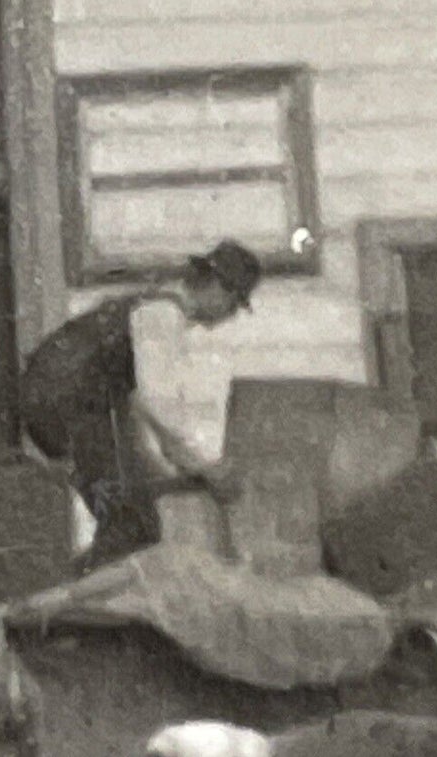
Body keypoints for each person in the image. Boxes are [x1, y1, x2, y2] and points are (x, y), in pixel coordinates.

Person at [19, 239, 263, 568]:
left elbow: (138, 408)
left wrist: (175, 463)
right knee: (132, 526)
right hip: (67, 410)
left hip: (69, 408)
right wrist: (202, 465)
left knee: (133, 517)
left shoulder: (155, 306)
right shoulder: (162, 315)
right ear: (218, 287)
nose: (231, 316)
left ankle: (86, 592)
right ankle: (78, 601)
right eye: (234, 304)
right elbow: (159, 404)